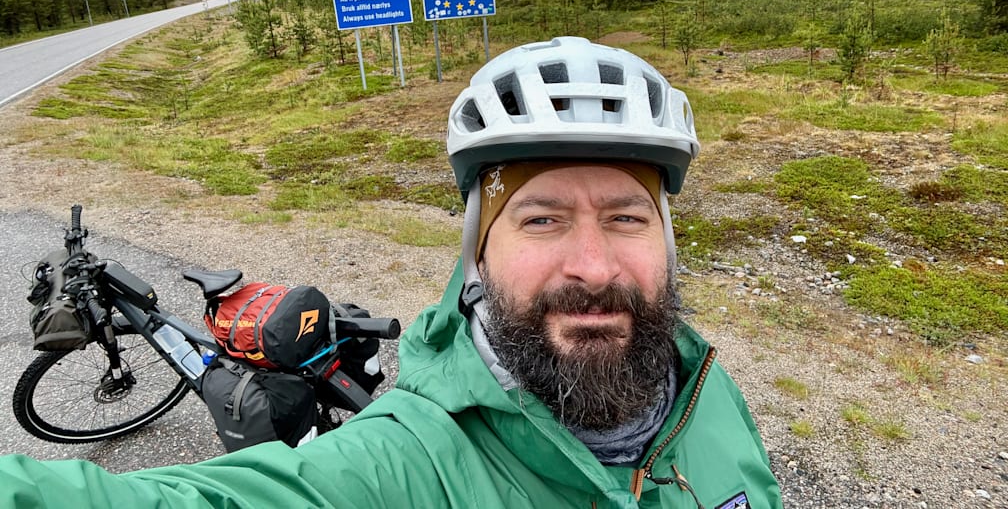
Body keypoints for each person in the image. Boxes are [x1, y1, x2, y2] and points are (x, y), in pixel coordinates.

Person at [0, 37, 782, 508]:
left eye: (627, 216)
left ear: (666, 241)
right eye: (540, 217)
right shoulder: (407, 463)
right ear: (479, 249)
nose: (593, 264)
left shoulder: (705, 390)